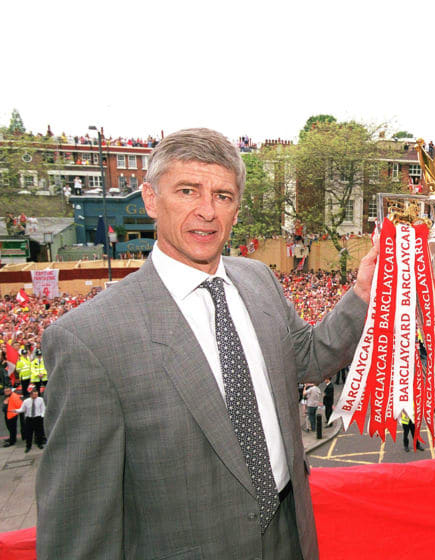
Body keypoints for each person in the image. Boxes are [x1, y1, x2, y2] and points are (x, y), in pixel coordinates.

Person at [37, 128, 378, 559]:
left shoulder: (258, 280)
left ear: (236, 209)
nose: (207, 212)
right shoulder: (88, 338)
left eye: (223, 196)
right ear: (150, 199)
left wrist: (362, 294)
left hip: (290, 536)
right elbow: (79, 529)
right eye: (187, 190)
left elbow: (310, 357)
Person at [16, 387, 45, 452]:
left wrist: (42, 416)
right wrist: (16, 410)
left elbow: (43, 408)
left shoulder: (40, 399)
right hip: (29, 419)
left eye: (37, 394)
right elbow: (22, 409)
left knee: (39, 432)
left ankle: (39, 444)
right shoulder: (26, 401)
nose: (36, 396)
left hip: (37, 418)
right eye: (34, 394)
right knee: (29, 433)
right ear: (31, 395)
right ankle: (28, 446)